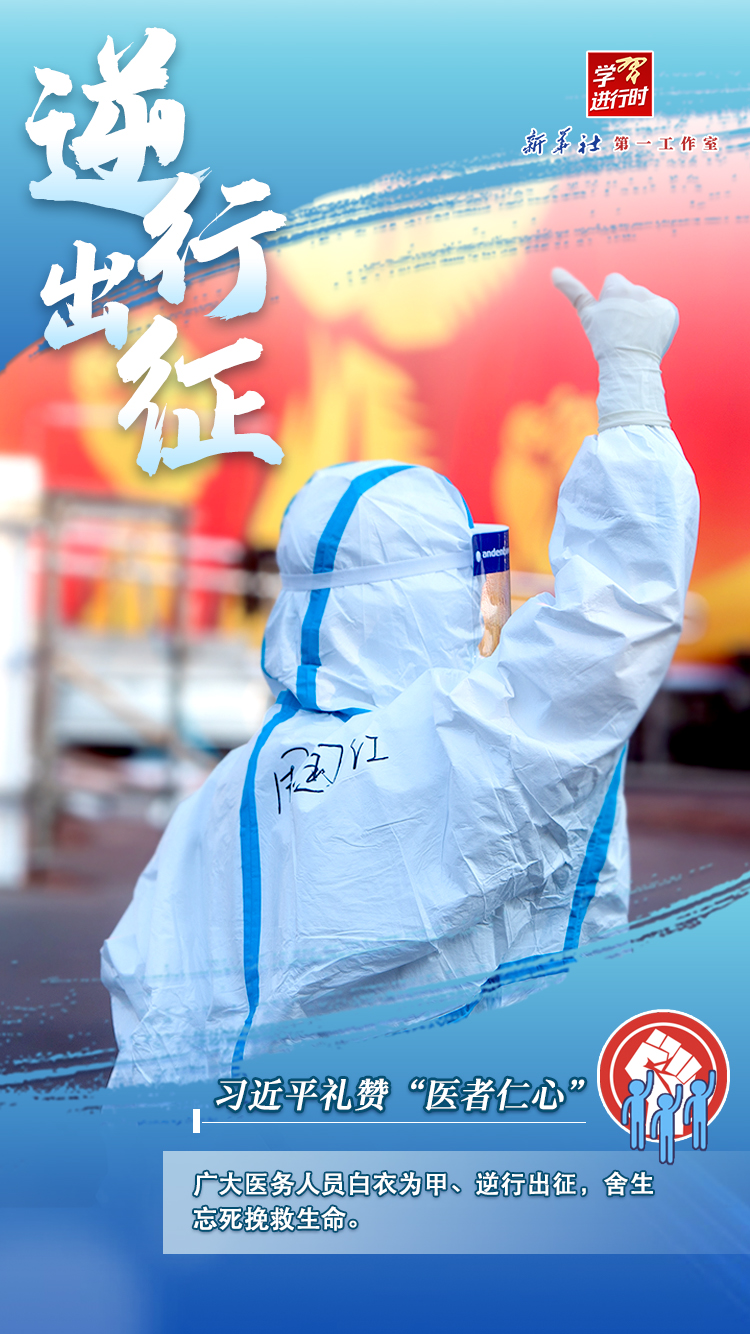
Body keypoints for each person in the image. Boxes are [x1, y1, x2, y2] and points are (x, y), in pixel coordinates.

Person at [101, 268, 699, 1086]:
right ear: (429, 595)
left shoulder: (230, 790)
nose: (483, 596)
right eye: (469, 572)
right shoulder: (468, 744)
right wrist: (631, 382)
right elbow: (616, 619)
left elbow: (151, 1002)